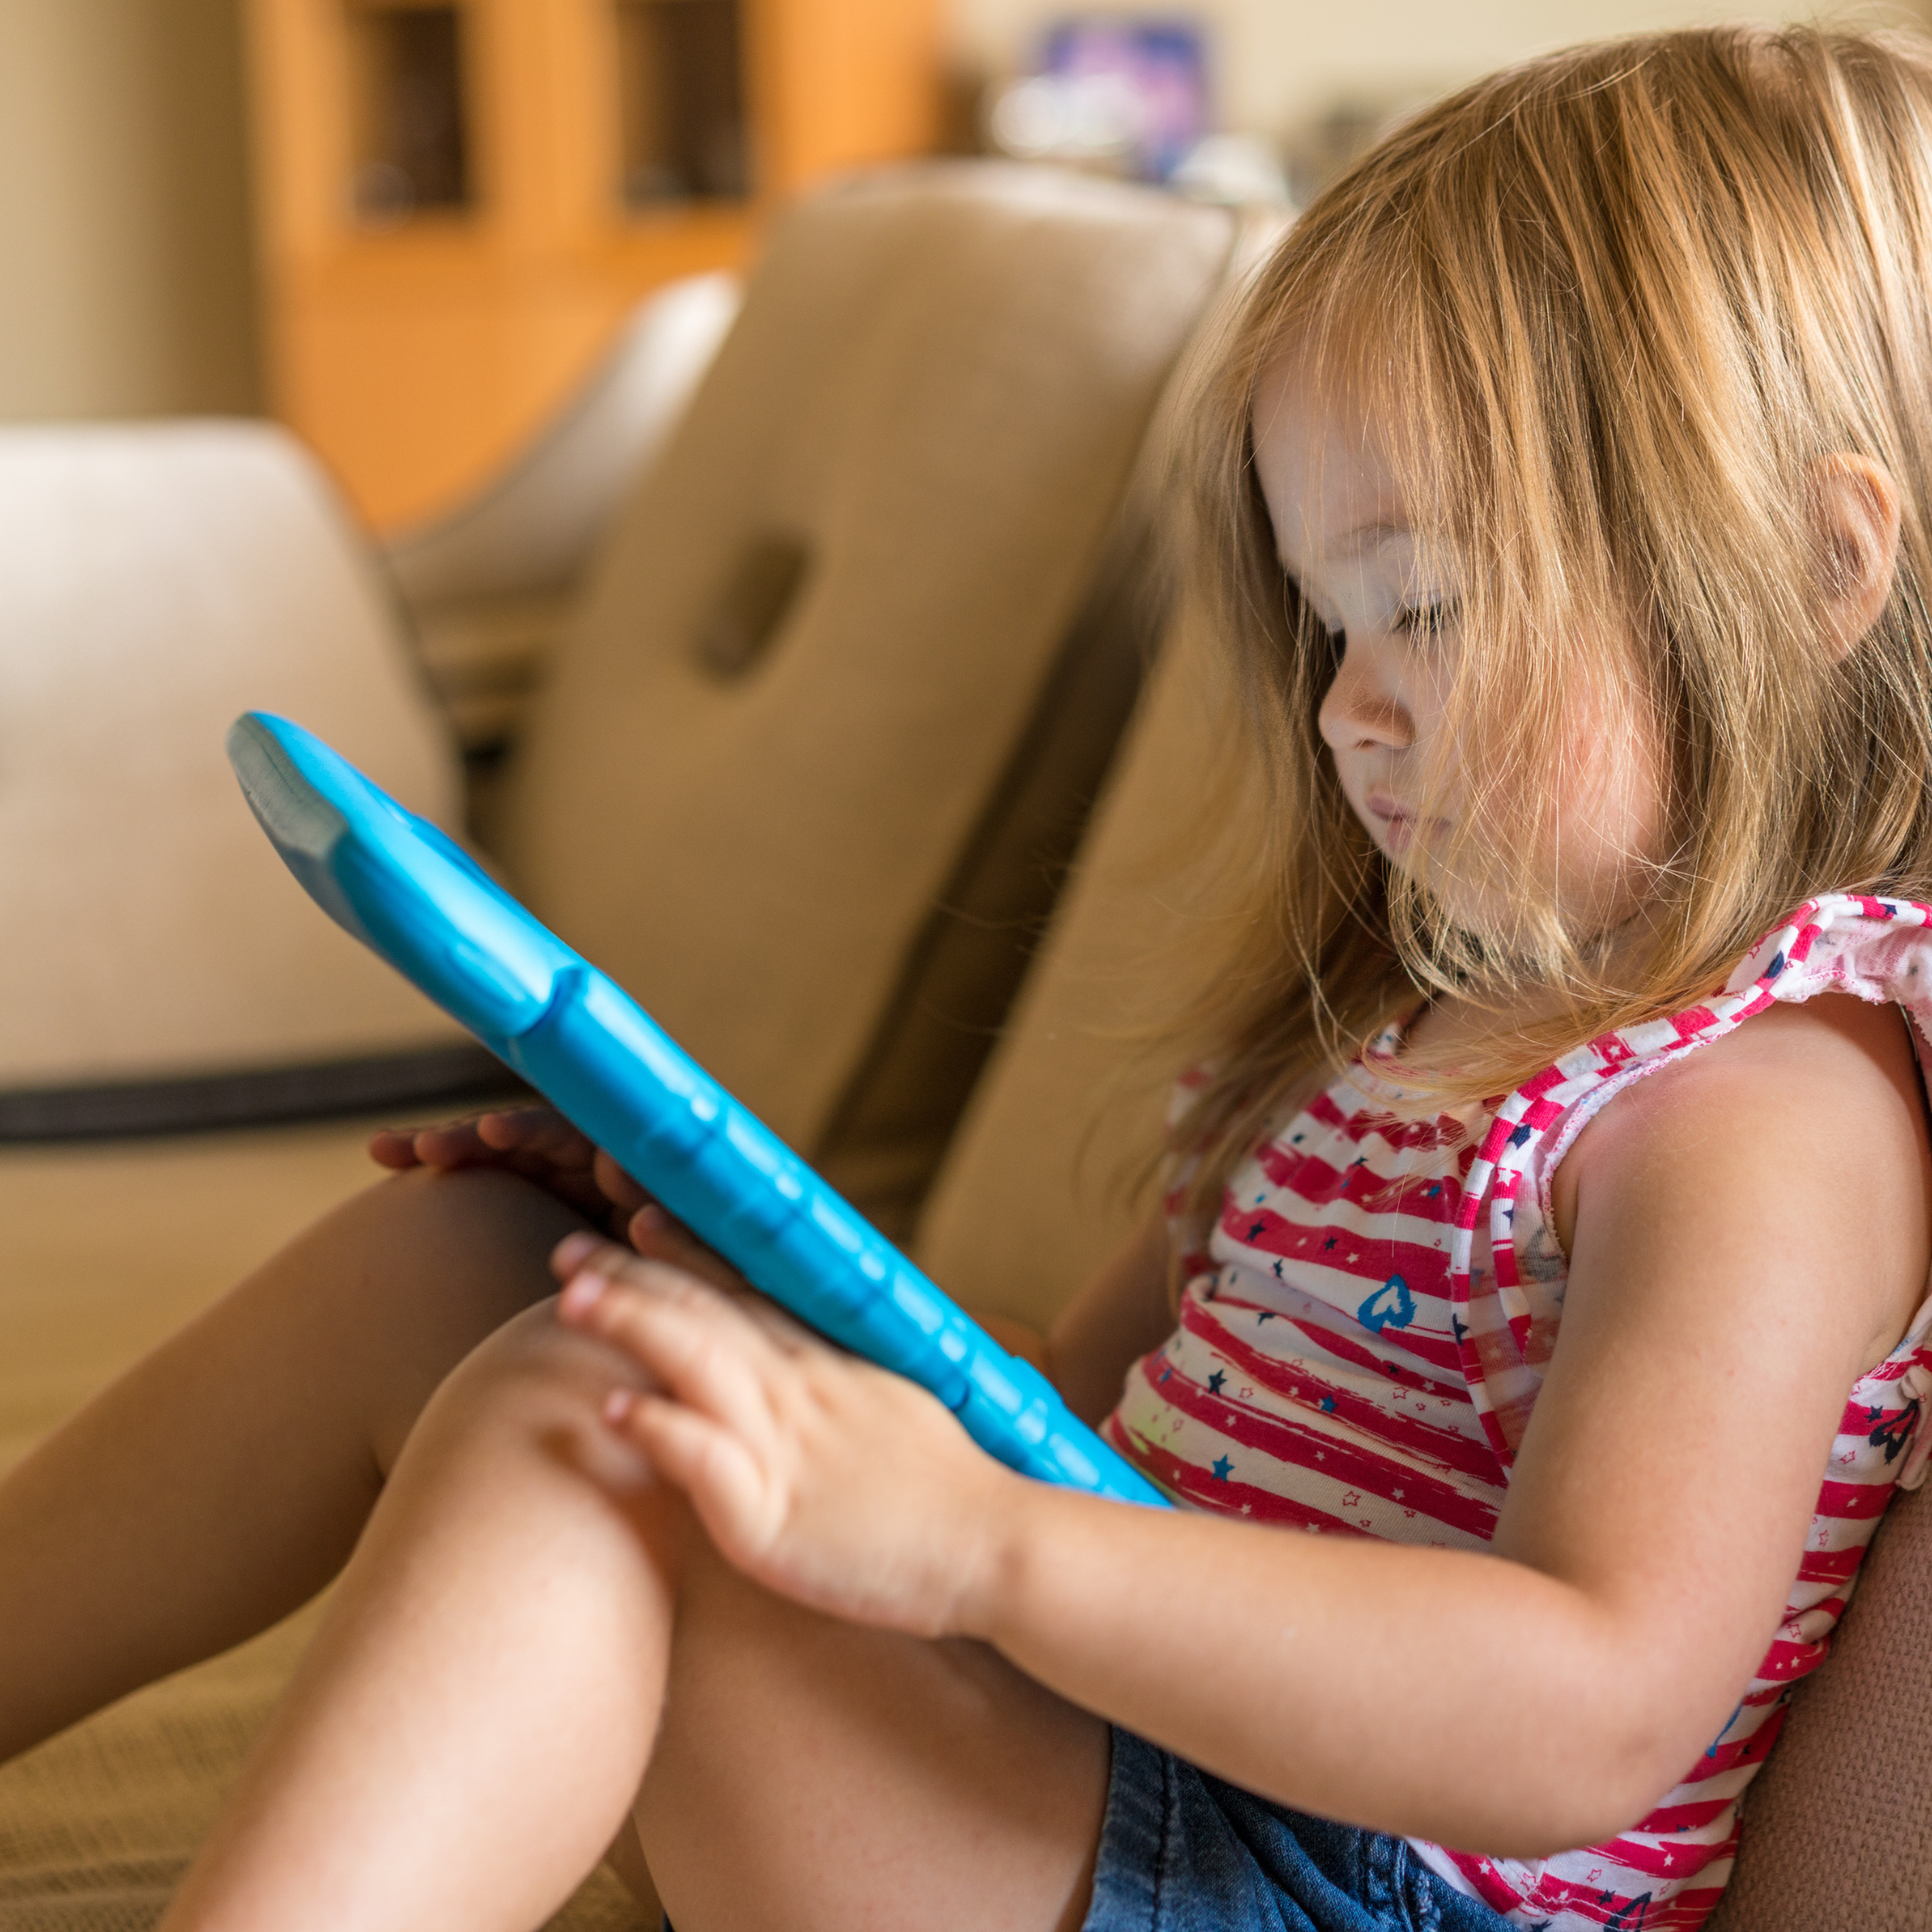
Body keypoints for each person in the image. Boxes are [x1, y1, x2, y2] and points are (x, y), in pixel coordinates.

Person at [5, 22, 1932, 1932]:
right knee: (471, 1274)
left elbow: (1591, 1706)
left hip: (1335, 1886)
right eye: (1325, 623)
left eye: (1421, 605)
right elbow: (1044, 1426)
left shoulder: (1766, 1116)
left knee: (595, 1434)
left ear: (1818, 566)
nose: (1350, 711)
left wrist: (987, 1552)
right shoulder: (1390, 1032)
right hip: (1119, 1770)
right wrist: (742, 1293)